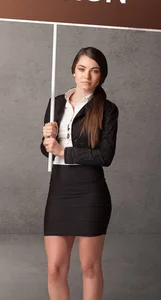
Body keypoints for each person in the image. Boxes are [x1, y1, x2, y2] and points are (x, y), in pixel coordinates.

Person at [40, 47, 119, 300]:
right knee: (55, 269)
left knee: (89, 267)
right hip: (60, 190)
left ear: (102, 76)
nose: (87, 76)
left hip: (90, 192)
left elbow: (104, 157)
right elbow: (48, 152)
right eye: (82, 69)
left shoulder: (107, 109)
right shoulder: (55, 104)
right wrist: (47, 140)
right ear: (73, 71)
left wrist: (63, 150)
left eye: (95, 71)